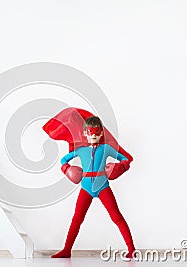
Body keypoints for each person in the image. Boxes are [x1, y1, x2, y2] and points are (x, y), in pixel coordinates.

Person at [43, 109, 135, 258]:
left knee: (116, 217)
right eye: (90, 131)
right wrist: (67, 169)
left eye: (96, 131)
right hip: (86, 187)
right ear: (85, 132)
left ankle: (132, 250)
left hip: (103, 186)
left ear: (101, 133)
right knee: (77, 219)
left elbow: (126, 159)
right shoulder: (80, 150)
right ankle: (67, 250)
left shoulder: (106, 148)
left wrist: (121, 167)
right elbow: (63, 160)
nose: (93, 134)